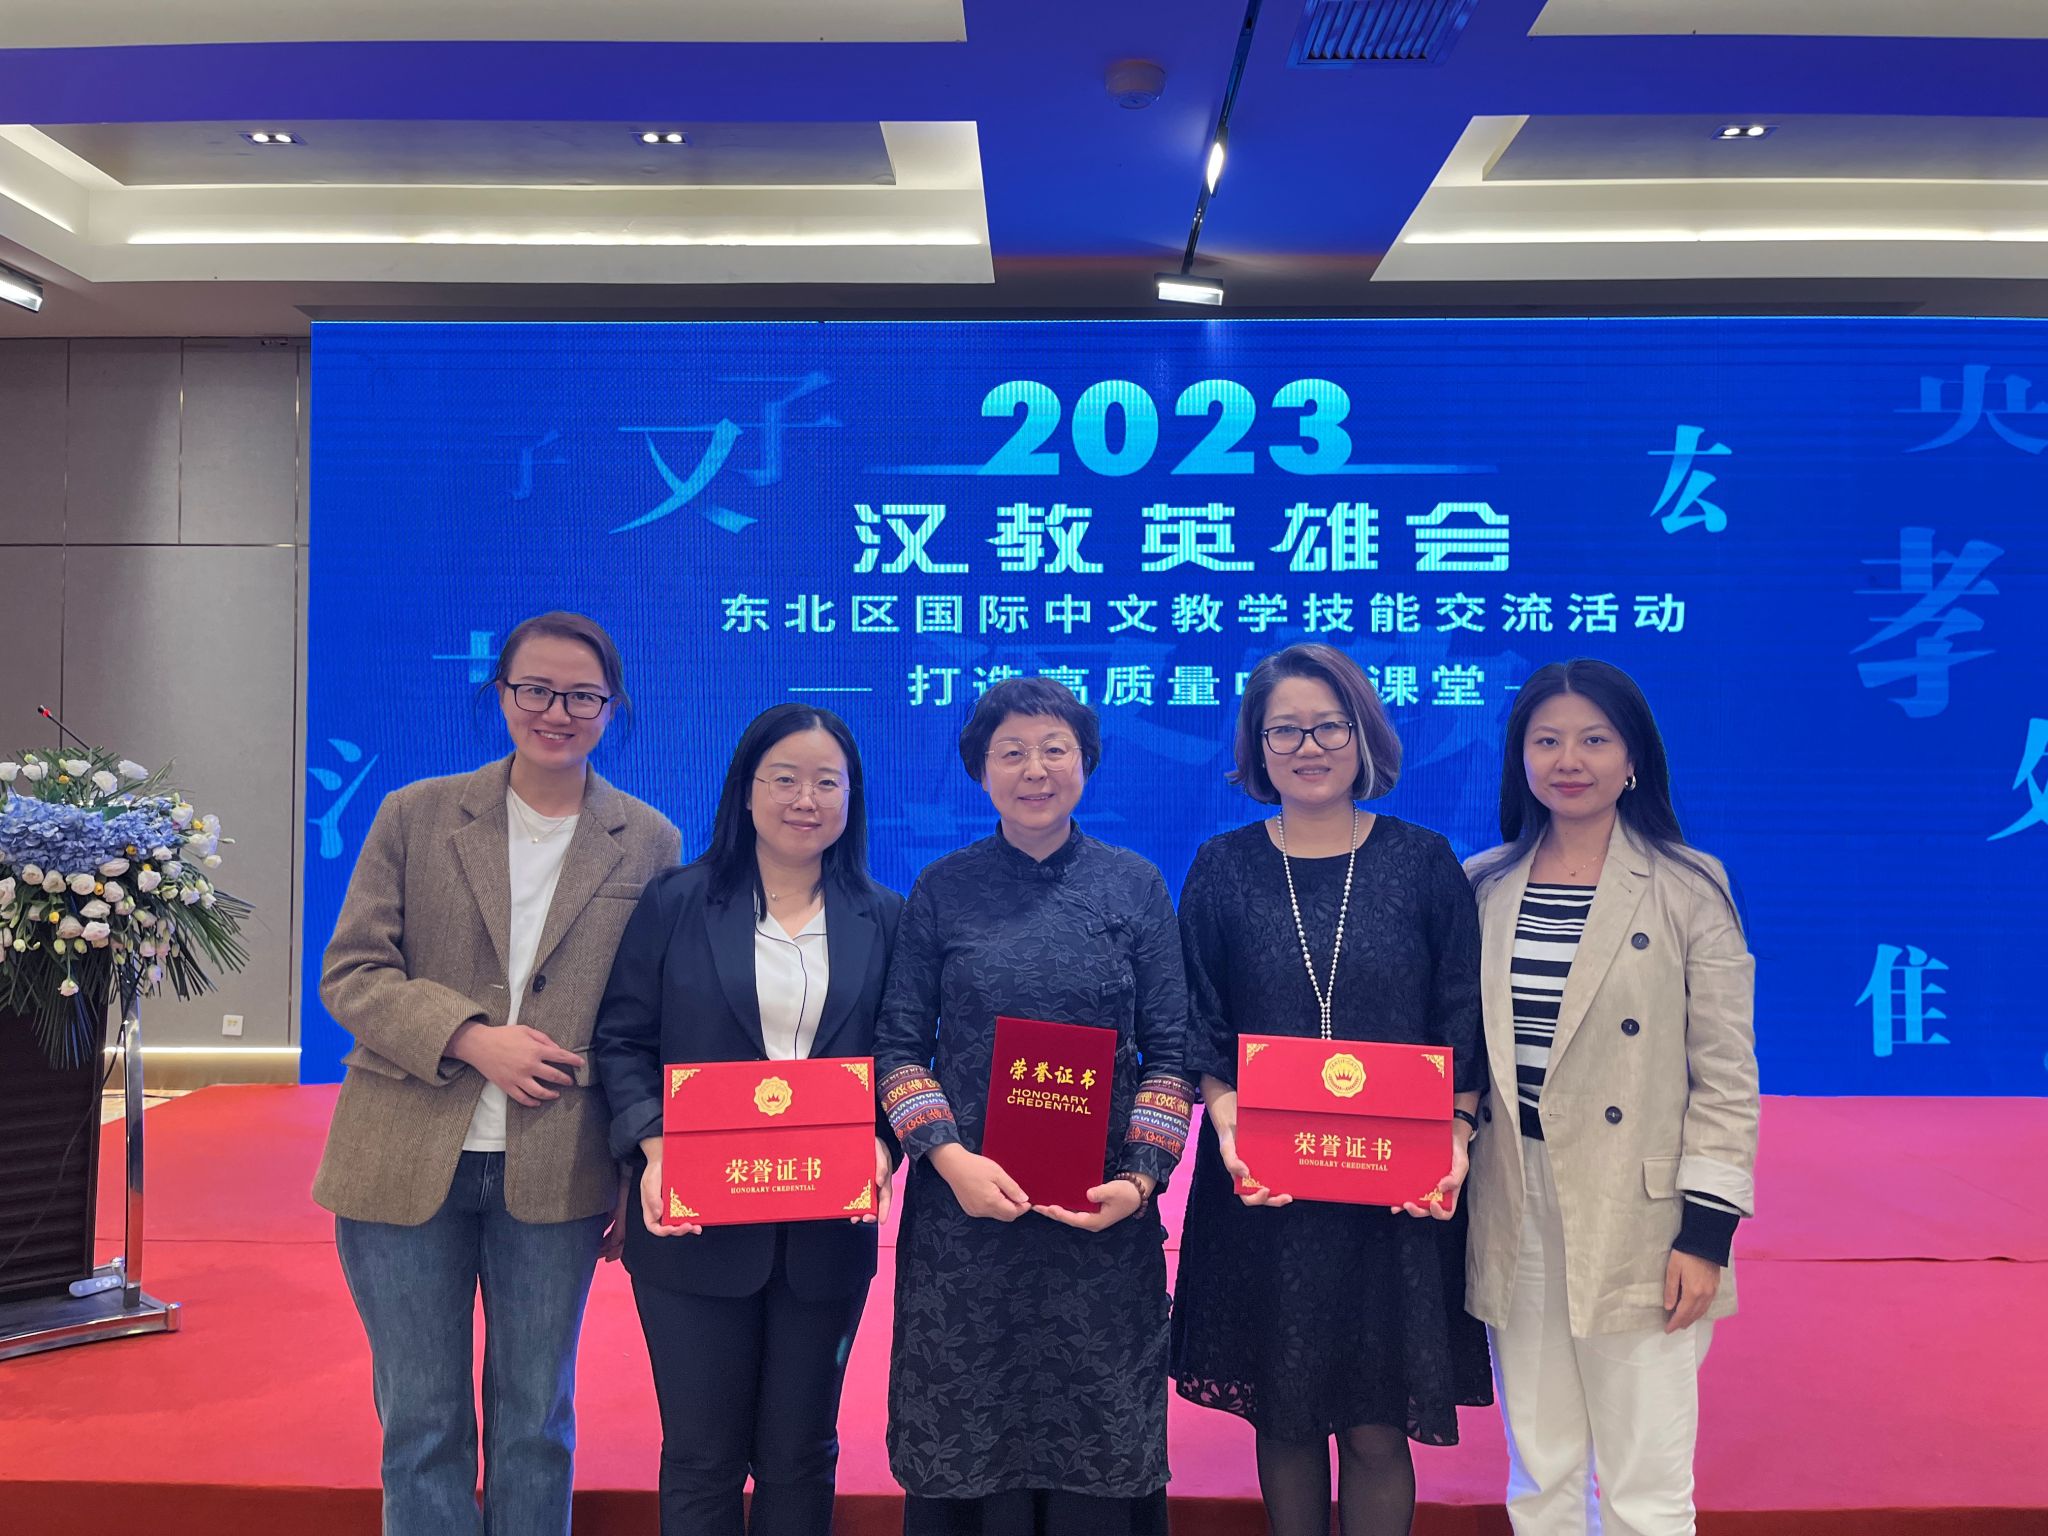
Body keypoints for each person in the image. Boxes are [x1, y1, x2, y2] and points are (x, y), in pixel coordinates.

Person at [313, 610, 680, 1536]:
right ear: (501, 694)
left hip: (560, 1165)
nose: (557, 712)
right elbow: (352, 972)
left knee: (535, 1423)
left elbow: (647, 1024)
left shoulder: (648, 841)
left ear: (613, 707)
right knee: (421, 1422)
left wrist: (635, 1168)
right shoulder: (417, 813)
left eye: (582, 696)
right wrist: (471, 1037)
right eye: (536, 690)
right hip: (400, 1153)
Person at [1170, 642, 1492, 1536]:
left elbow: (1460, 1016)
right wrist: (1227, 1120)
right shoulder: (1222, 866)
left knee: (1378, 1425)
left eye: (1329, 727)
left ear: (1364, 735)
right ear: (1256, 746)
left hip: (1395, 1191)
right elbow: (1198, 1017)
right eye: (1285, 730)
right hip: (1263, 1188)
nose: (1308, 747)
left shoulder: (1423, 862)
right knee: (1285, 1416)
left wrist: (1456, 1135)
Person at [873, 675, 1196, 1536]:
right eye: (1011, 752)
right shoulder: (942, 887)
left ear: (1086, 761)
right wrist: (949, 1159)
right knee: (967, 1436)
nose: (1035, 769)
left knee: (1098, 1442)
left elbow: (1172, 1056)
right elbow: (898, 1051)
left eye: (1055, 749)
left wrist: (1140, 1181)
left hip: (1100, 1225)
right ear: (980, 769)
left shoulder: (1135, 886)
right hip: (966, 1226)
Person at [593, 703, 903, 1536]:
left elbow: (905, 1056)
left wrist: (883, 1143)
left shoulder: (885, 917)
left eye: (827, 782)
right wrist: (655, 1146)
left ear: (851, 798)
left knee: (801, 1452)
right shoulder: (677, 902)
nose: (806, 799)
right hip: (695, 1228)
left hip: (825, 1234)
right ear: (746, 789)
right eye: (785, 779)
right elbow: (621, 1040)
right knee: (701, 1455)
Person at [1464, 658, 1758, 1536]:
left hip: (1643, 1217)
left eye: (1594, 739)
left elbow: (1727, 1075)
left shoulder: (1688, 886)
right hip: (1514, 1201)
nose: (1569, 760)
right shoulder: (1482, 886)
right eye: (1546, 740)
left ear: (1633, 758)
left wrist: (1706, 1233)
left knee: (1645, 1484)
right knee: (1541, 1469)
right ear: (1519, 758)